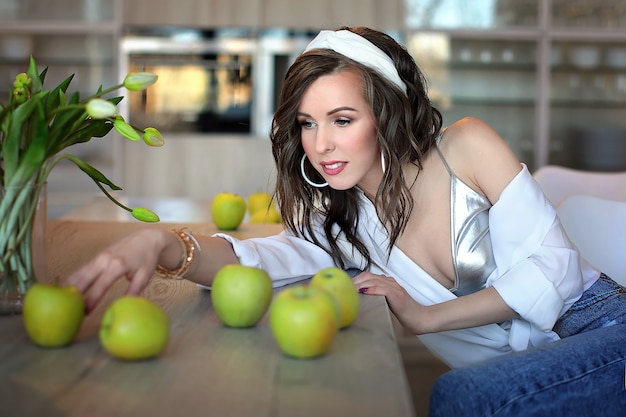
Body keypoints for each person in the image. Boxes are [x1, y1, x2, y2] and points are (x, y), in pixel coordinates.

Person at [67, 27, 626, 414]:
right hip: (538, 368)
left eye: (341, 119)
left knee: (463, 397)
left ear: (386, 113)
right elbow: (250, 259)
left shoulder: (468, 147)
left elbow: (554, 269)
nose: (321, 144)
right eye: (307, 124)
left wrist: (429, 318)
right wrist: (159, 244)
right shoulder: (346, 224)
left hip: (603, 327)